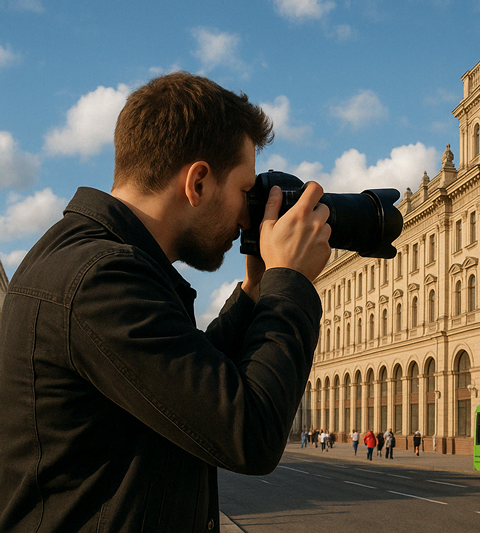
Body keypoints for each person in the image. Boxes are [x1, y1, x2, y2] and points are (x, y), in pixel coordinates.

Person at [0, 72, 332, 532]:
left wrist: (256, 292)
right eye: (243, 190)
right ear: (197, 182)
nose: (246, 215)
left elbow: (194, 384)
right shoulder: (101, 279)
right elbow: (249, 433)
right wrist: (289, 281)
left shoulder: (100, 262)